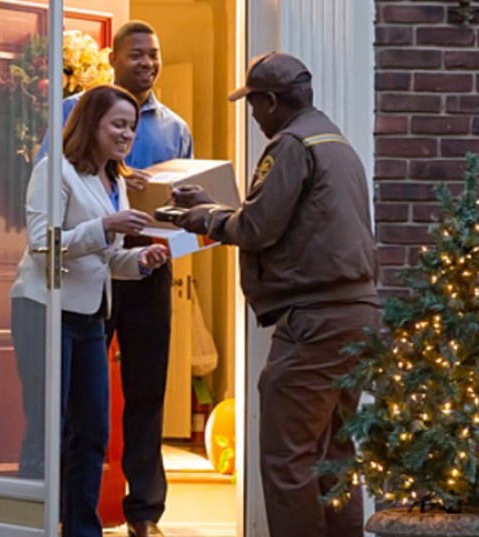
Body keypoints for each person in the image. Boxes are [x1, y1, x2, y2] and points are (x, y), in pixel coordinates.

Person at [171, 52, 379, 537]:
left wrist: (206, 219)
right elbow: (295, 222)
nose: (251, 114)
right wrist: (221, 209)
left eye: (252, 104)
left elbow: (261, 227)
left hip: (315, 322)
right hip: (357, 317)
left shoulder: (290, 144)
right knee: (334, 456)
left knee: (288, 460)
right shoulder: (335, 142)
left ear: (270, 100)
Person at [37, 20, 193, 537]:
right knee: (74, 405)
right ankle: (61, 512)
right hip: (83, 274)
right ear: (114, 57)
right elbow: (45, 208)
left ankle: (144, 513)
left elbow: (188, 208)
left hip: (143, 264)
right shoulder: (69, 113)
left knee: (147, 392)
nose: (148, 63)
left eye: (155, 54)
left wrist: (175, 233)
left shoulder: (176, 127)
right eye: (137, 54)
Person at [11, 84, 169, 537]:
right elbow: (43, 246)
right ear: (91, 124)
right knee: (48, 430)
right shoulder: (53, 171)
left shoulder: (114, 181)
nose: (126, 135)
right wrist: (104, 226)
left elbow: (105, 259)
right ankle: (31, 527)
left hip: (90, 317)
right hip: (44, 309)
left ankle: (82, 530)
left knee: (93, 433)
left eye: (132, 127)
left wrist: (140, 262)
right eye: (117, 124)